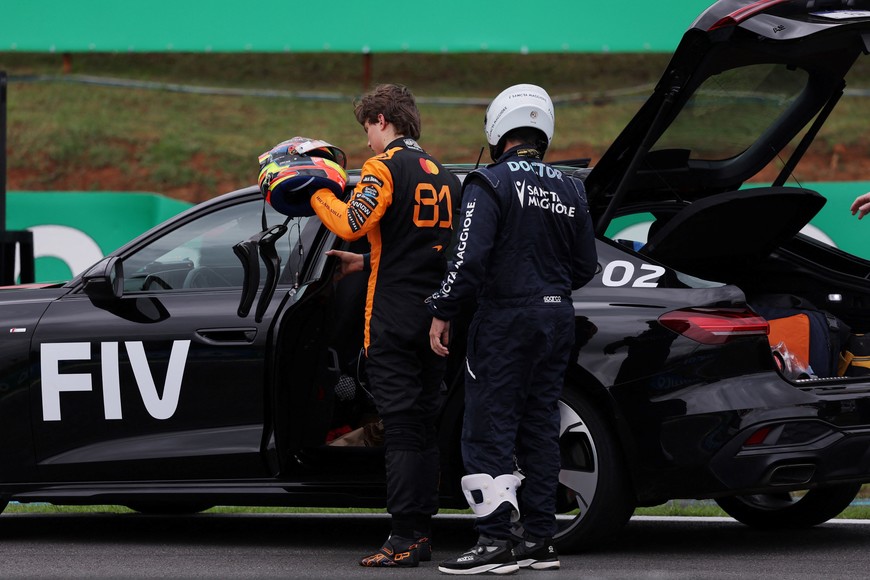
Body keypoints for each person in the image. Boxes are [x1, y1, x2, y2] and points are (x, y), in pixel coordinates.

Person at [427, 84, 597, 575]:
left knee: (488, 426)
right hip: (556, 317)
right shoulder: (572, 187)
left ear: (498, 128)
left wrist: (443, 308)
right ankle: (539, 540)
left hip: (505, 319)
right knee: (540, 426)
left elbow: (467, 258)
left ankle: (494, 541)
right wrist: (548, 289)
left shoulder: (489, 181)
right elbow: (585, 265)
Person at [308, 83, 460, 568]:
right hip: (434, 318)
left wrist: (317, 194)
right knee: (423, 426)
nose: (367, 141)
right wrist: (368, 260)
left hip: (392, 318)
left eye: (367, 129)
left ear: (381, 120)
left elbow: (352, 221)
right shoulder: (446, 176)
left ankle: (403, 537)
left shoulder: (383, 167)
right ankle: (421, 532)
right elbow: (427, 250)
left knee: (399, 427)